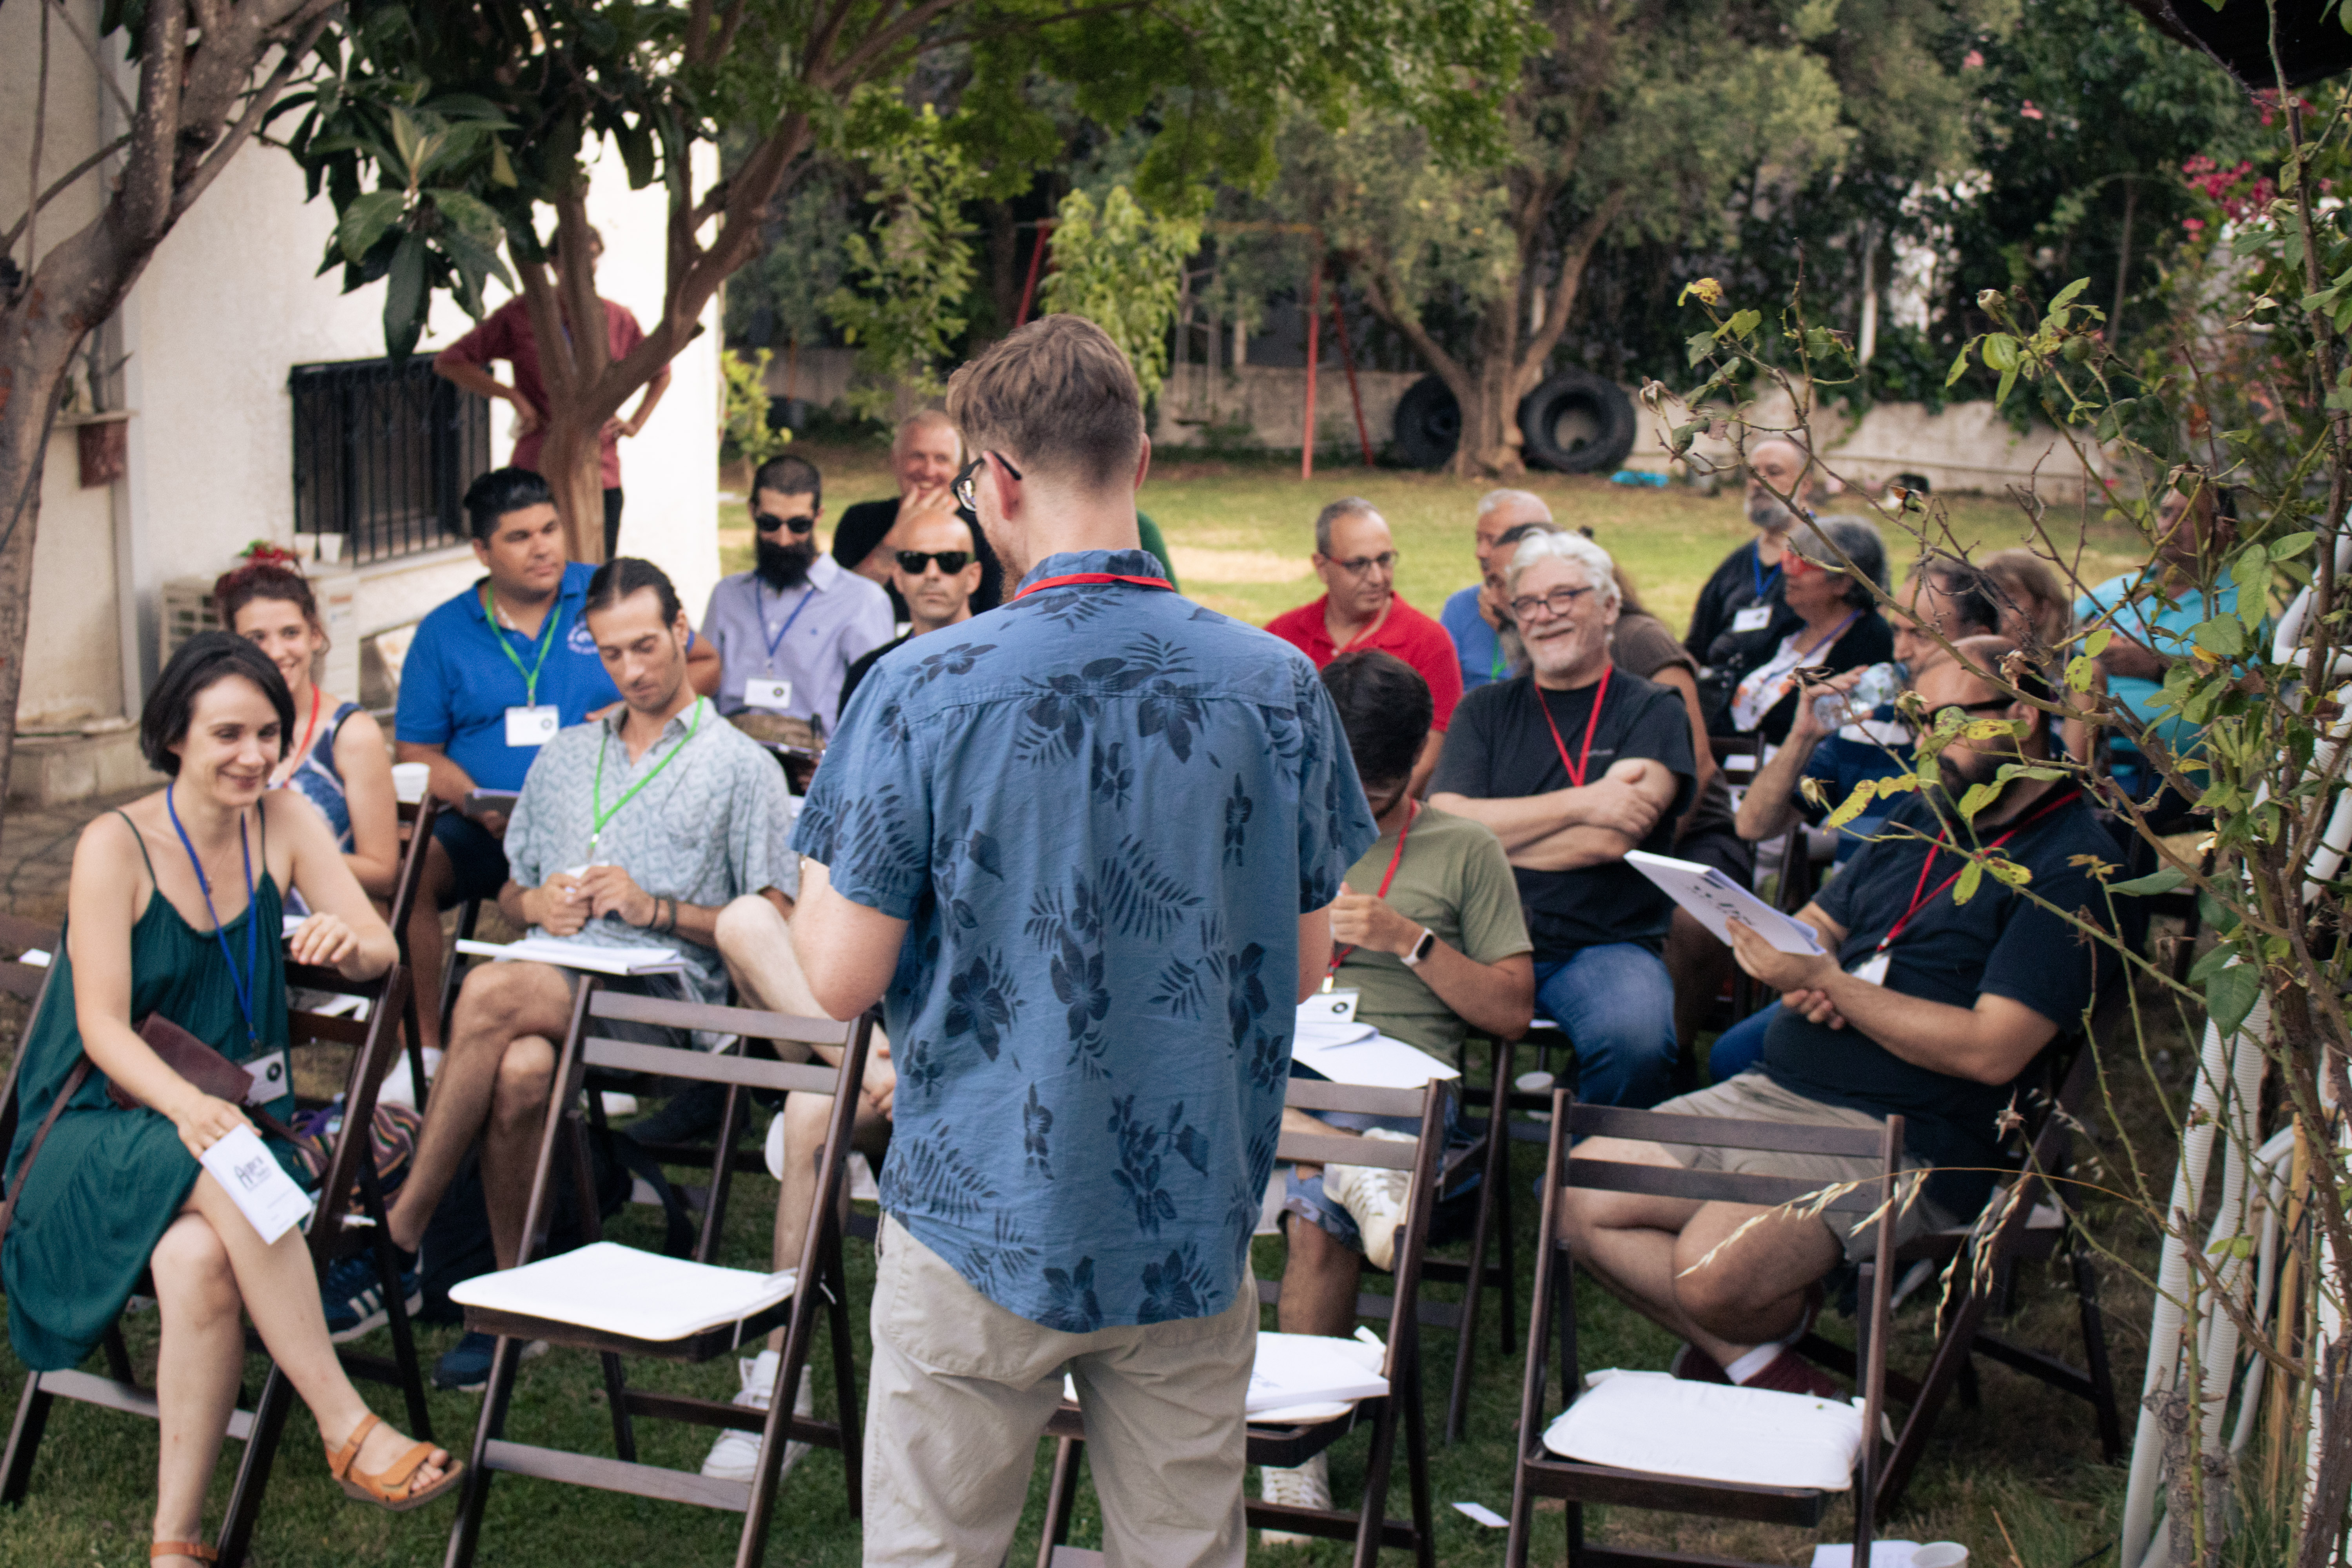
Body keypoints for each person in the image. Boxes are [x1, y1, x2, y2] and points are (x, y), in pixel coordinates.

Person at [786, 314, 1376, 1566]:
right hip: (1188, 1207)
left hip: (974, 1203)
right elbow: (1310, 959)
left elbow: (838, 976)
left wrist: (810, 863)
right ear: (1143, 459)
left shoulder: (921, 687)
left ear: (986, 482)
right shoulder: (1276, 685)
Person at [2, 635, 459, 1563]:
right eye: (227, 734)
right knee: (228, 1160)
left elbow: (381, 954)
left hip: (225, 1134)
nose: (253, 754)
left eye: (268, 733)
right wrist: (186, 1110)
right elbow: (101, 1028)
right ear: (173, 736)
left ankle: (175, 1543)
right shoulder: (113, 844)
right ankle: (345, 1422)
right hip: (96, 1125)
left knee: (199, 1261)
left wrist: (345, 935)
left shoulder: (286, 820)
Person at [1557, 642, 2116, 1397]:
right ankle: (1762, 1364)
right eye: (1915, 721)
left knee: (1708, 1272)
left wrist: (1831, 983)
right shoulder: (1930, 814)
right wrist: (1792, 959)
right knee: (1579, 1195)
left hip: (1904, 1137)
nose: (1924, 744)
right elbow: (1819, 923)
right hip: (1773, 1092)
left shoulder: (2071, 865)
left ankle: (1747, 1339)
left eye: (1945, 722)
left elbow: (1993, 1051)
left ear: (2022, 716)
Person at [379, 558, 799, 1393]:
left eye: (646, 645)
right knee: (522, 1071)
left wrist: (655, 910)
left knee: (496, 990)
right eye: (611, 654)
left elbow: (775, 921)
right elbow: (507, 883)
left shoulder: (741, 766)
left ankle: (401, 1230)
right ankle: (510, 1304)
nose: (633, 670)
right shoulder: (570, 754)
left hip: (669, 1004)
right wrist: (532, 902)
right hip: (559, 985)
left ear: (682, 628)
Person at [1258, 650, 1532, 1534]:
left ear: (1422, 757)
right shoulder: (1271, 825)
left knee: (1315, 1217)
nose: (1355, 801)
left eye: (1375, 787)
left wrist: (1410, 940)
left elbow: (1513, 1013)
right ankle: (1354, 1168)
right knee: (1299, 1144)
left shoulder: (1463, 849)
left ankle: (1294, 1453)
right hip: (1279, 1060)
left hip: (1394, 1084)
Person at [1429, 530, 1695, 1109]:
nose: (1543, 616)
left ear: (1609, 606)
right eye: (1527, 603)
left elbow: (1609, 838)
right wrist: (1582, 801)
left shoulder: (1653, 708)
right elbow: (1446, 823)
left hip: (1601, 943)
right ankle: (1439, 1170)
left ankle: (1578, 1186)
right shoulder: (1484, 712)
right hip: (1478, 936)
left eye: (1563, 597)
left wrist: (1488, 837)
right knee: (1379, 1009)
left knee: (1638, 1042)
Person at [396, 468, 631, 1060]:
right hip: (490, 825)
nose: (543, 547)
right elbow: (417, 753)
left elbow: (702, 663)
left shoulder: (607, 593)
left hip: (604, 817)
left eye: (550, 529)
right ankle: (423, 1049)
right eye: (520, 537)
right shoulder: (444, 632)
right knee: (410, 869)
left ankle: (603, 1043)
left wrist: (626, 708)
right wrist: (476, 801)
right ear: (482, 551)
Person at [432, 226, 670, 559]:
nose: (585, 267)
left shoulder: (616, 318)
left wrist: (635, 423)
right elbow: (450, 362)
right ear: (553, 261)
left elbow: (660, 373)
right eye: (575, 258)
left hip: (599, 468)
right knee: (539, 570)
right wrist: (512, 395)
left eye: (592, 257)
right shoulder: (522, 314)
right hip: (538, 465)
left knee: (594, 576)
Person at [1609, 567, 1750, 1058]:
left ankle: (1674, 1053)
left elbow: (1701, 762)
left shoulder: (1637, 640)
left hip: (1690, 831)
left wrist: (1645, 857)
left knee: (1695, 917)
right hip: (1604, 837)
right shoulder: (1534, 658)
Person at [217, 559, 399, 907]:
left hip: (321, 934)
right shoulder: (220, 731)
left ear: (315, 635)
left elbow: (384, 874)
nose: (275, 652)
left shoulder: (350, 735)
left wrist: (288, 858)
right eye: (257, 638)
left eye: (290, 633)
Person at [1266, 498, 1465, 798]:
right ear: (1322, 567)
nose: (1376, 578)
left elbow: (1429, 758)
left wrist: (1364, 819)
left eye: (1385, 560)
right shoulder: (1281, 637)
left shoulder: (1429, 642)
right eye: (1358, 564)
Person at [699, 452, 895, 737]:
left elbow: (879, 708)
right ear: (752, 512)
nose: (783, 539)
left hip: (814, 766)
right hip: (732, 753)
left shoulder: (863, 601)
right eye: (770, 523)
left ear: (818, 517)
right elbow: (701, 687)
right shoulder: (727, 595)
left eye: (799, 526)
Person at [1719, 517, 1893, 745]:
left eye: (1803, 565)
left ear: (1844, 583)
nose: (1789, 572)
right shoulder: (1789, 626)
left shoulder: (1869, 644)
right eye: (1788, 559)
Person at [1685, 436, 1820, 664]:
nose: (1759, 483)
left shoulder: (1829, 560)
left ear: (1805, 484)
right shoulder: (1735, 567)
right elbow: (1696, 648)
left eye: (1774, 472)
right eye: (1753, 474)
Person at [838, 504, 985, 712]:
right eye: (915, 562)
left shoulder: (1006, 665)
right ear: (898, 577)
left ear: (973, 576)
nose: (932, 574)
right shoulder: (868, 674)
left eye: (949, 561)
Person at [1981, 546, 2096, 762]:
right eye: (1988, 602)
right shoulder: (1981, 671)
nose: (1996, 614)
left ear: (2043, 610)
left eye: (2009, 603)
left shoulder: (2080, 671)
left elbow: (2071, 770)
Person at [1441, 489, 1555, 693]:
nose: (1480, 553)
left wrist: (1508, 630)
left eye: (1493, 541)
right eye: (1479, 540)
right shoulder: (1460, 607)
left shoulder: (1561, 610)